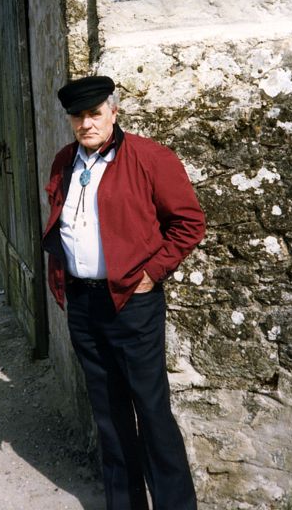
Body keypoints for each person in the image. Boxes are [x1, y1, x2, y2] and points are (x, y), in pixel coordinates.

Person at [43, 75, 205, 510]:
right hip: (83, 302)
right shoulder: (64, 161)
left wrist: (153, 273)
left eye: (95, 113)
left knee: (151, 413)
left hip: (132, 304)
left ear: (114, 112)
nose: (86, 123)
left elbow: (189, 222)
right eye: (77, 116)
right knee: (109, 415)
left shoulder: (150, 158)